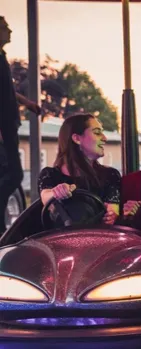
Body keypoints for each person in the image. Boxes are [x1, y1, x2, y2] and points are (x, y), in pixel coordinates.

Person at [0, 16, 42, 234]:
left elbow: (7, 89)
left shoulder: (2, 57)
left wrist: (28, 103)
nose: (10, 31)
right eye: (5, 27)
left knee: (9, 175)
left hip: (9, 126)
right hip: (3, 130)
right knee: (13, 175)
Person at [38, 114, 119, 224]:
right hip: (59, 238)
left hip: (99, 237)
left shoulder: (110, 175)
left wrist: (112, 215)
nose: (104, 138)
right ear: (76, 138)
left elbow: (113, 208)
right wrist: (56, 192)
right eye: (97, 132)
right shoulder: (49, 174)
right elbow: (46, 196)